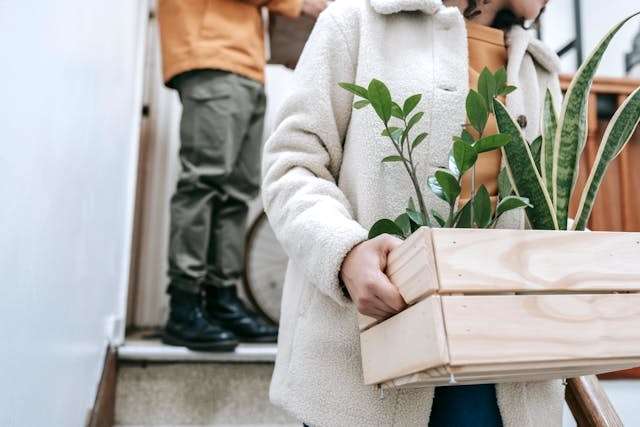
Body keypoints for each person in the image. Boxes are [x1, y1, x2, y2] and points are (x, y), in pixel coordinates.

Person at [262, 0, 564, 425]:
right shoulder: (355, 23)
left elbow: (550, 207)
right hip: (363, 360)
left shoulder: (539, 69)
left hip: (502, 372)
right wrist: (345, 252)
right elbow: (292, 165)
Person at [157, 0, 327, 352]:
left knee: (237, 190)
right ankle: (184, 305)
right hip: (211, 53)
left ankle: (221, 298)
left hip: (243, 63)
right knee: (204, 183)